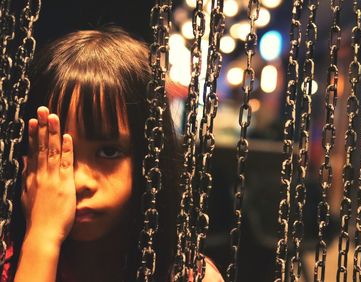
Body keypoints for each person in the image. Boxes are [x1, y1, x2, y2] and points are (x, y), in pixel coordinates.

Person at [2, 26, 222, 281]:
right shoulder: (10, 258)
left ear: (148, 157)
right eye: (58, 155)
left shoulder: (186, 274)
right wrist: (42, 237)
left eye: (108, 152)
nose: (79, 181)